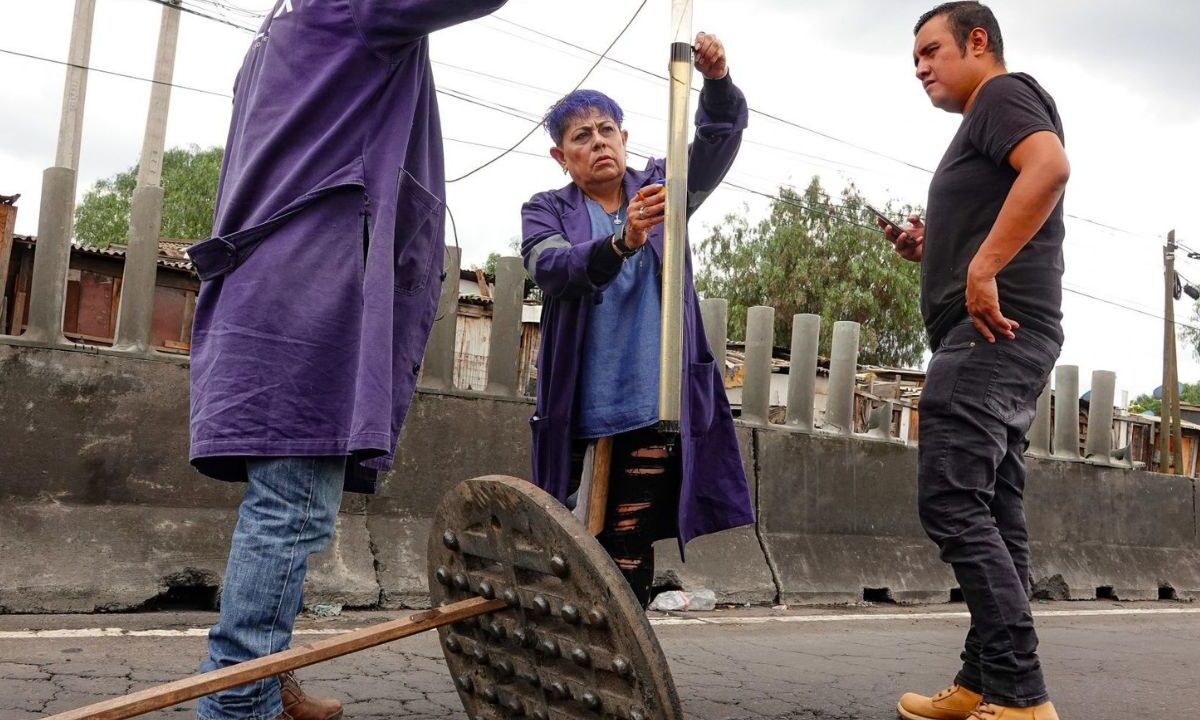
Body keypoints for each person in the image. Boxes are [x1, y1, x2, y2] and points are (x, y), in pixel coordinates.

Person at [184, 2, 507, 719]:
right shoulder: (355, 5)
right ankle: (238, 697)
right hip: (311, 286)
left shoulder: (279, 28)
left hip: (270, 280)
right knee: (293, 503)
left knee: (285, 495)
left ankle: (261, 675)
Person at [520, 33, 755, 608]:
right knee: (566, 547)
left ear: (624, 138)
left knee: (629, 545)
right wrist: (624, 241)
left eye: (607, 131)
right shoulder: (546, 209)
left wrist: (717, 81)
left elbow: (719, 138)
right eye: (582, 136)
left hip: (654, 405)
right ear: (561, 156)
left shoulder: (662, 188)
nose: (598, 142)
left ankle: (623, 681)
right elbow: (551, 267)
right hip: (578, 405)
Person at [884, 4, 1070, 720]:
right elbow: (1006, 205)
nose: (922, 67)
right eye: (915, 60)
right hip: (1010, 331)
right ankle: (985, 682)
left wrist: (984, 267)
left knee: (951, 496)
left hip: (991, 334)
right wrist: (933, 247)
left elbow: (1049, 167)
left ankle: (1022, 697)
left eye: (932, 51)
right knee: (996, 511)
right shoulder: (986, 121)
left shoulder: (1000, 94)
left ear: (978, 41)